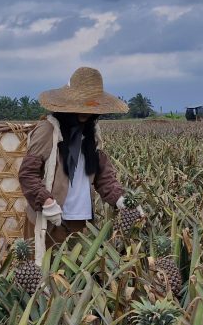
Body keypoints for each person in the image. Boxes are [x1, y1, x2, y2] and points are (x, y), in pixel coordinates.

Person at [18, 67, 131, 254]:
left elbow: (103, 177)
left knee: (75, 279)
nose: (84, 113)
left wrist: (120, 198)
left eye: (89, 108)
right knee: (44, 277)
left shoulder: (91, 134)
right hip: (49, 221)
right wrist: (45, 201)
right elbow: (27, 174)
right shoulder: (48, 131)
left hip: (81, 222)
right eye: (79, 106)